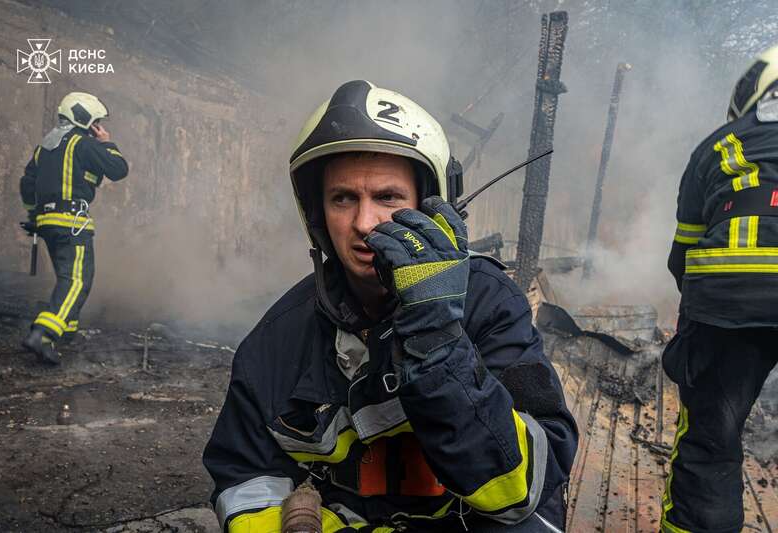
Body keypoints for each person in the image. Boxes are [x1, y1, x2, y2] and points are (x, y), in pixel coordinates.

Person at [203, 80, 577, 532]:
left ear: (431, 205)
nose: (364, 224)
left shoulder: (489, 303)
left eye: (388, 198)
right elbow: (245, 483)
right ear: (318, 214)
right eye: (343, 199)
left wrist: (437, 340)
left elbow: (520, 493)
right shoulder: (275, 344)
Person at [662, 45, 778, 533]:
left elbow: (683, 254)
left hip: (728, 308)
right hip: (729, 305)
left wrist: (693, 316)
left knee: (710, 445)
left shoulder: (719, 145)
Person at [20, 91, 129, 365]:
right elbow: (119, 169)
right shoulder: (85, 144)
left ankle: (65, 333)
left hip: (47, 223)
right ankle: (42, 333)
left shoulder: (44, 147)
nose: (96, 127)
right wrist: (107, 143)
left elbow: (27, 183)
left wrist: (33, 214)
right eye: (95, 122)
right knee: (77, 281)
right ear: (84, 118)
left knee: (68, 279)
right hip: (72, 224)